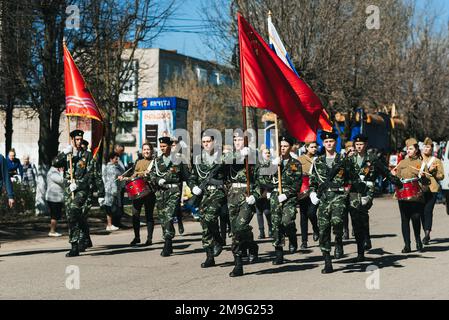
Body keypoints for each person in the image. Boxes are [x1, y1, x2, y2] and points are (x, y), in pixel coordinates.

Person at [309, 131, 361, 273]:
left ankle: (338, 239)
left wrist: (348, 191)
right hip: (324, 197)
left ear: (336, 143)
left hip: (339, 195)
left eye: (331, 141)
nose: (329, 144)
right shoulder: (318, 161)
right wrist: (312, 193)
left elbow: (352, 177)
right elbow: (313, 180)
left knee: (337, 222)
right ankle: (327, 261)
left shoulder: (343, 160)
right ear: (323, 144)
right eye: (326, 142)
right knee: (323, 228)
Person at [348, 134, 403, 261]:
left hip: (367, 190)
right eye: (356, 145)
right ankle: (360, 250)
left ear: (365, 145)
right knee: (356, 220)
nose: (359, 147)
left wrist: (396, 181)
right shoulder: (350, 159)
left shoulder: (372, 159)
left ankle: (365, 239)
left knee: (362, 212)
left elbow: (385, 172)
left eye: (361, 144)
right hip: (354, 191)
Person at [52, 129, 96, 257]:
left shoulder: (87, 155)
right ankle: (75, 246)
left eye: (80, 139)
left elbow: (90, 174)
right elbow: (54, 163)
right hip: (68, 190)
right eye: (76, 139)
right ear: (72, 140)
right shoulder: (68, 154)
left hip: (81, 190)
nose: (79, 141)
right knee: (71, 216)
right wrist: (64, 153)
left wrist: (79, 184)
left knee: (73, 210)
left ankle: (78, 242)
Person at [188, 131, 226, 268]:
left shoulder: (223, 157)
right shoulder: (198, 159)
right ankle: (209, 257)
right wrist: (193, 187)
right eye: (203, 142)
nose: (206, 144)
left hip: (218, 193)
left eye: (208, 141)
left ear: (214, 142)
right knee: (204, 224)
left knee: (210, 218)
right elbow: (192, 177)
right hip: (203, 194)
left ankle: (218, 239)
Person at [224, 130, 259, 277]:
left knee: (239, 227)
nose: (238, 142)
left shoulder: (254, 157)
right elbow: (223, 162)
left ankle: (238, 265)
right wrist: (240, 155)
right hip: (232, 197)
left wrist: (255, 195)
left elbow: (261, 180)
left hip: (246, 196)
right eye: (236, 140)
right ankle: (251, 244)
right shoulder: (229, 156)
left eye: (241, 140)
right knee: (235, 230)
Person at [148, 136, 190, 257]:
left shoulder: (178, 159)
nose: (162, 148)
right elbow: (150, 175)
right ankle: (169, 241)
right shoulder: (157, 161)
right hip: (161, 192)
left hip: (174, 191)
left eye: (164, 146)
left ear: (170, 146)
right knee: (163, 217)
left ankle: (167, 242)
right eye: (161, 146)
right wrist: (157, 180)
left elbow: (186, 176)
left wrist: (193, 190)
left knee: (169, 216)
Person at [267, 135, 302, 265]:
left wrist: (287, 194)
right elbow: (263, 179)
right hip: (276, 196)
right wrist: (273, 167)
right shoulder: (273, 162)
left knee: (287, 221)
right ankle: (279, 253)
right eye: (280, 146)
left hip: (289, 197)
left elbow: (297, 183)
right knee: (276, 225)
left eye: (285, 146)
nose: (282, 148)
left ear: (290, 147)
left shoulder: (295, 163)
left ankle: (292, 236)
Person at [391, 138, 429, 253]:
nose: (408, 150)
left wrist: (422, 176)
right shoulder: (402, 162)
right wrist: (392, 175)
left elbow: (427, 182)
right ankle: (407, 245)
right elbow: (395, 178)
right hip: (402, 194)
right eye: (407, 148)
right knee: (404, 219)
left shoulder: (421, 163)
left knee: (416, 218)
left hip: (416, 195)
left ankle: (418, 240)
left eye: (411, 148)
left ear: (416, 150)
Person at [119, 142, 156, 246]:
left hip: (149, 191)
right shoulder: (138, 162)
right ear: (142, 151)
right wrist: (124, 178)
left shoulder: (155, 162)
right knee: (135, 215)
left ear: (151, 151)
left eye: (148, 149)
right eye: (144, 149)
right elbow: (133, 177)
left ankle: (149, 239)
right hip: (137, 192)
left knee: (149, 215)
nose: (146, 151)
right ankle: (137, 237)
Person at [420, 137, 444, 245]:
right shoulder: (418, 159)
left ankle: (427, 234)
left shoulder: (436, 161)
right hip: (420, 189)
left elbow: (441, 176)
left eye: (428, 147)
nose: (426, 148)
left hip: (433, 189)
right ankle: (425, 230)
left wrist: (434, 173)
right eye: (425, 146)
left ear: (432, 148)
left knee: (428, 211)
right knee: (421, 212)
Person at [298, 141, 320, 249]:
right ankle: (304, 241)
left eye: (316, 147)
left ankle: (316, 228)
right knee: (303, 216)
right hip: (303, 190)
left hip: (315, 191)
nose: (314, 149)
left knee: (311, 213)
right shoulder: (300, 160)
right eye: (312, 147)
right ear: (306, 148)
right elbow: (294, 173)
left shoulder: (319, 159)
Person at [255, 146, 273, 239]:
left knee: (267, 212)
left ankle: (270, 228)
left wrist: (270, 190)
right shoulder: (258, 165)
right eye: (265, 153)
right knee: (259, 212)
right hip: (259, 190)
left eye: (268, 152)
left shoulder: (272, 164)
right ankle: (261, 232)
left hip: (268, 191)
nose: (268, 154)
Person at [102, 152, 122, 232]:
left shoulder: (114, 167)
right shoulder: (110, 167)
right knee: (109, 207)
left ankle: (111, 224)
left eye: (117, 158)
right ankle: (109, 225)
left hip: (113, 189)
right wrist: (114, 191)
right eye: (115, 158)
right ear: (111, 159)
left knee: (112, 207)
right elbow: (112, 181)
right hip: (110, 190)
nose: (117, 160)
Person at [46, 165, 65, 237]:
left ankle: (53, 229)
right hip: (53, 197)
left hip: (57, 197)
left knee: (56, 215)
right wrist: (62, 172)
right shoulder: (53, 172)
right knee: (54, 215)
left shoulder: (55, 171)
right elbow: (61, 180)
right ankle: (52, 231)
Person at [113, 144, 126, 227]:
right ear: (116, 150)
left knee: (120, 204)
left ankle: (119, 222)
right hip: (115, 185)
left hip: (121, 185)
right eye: (120, 151)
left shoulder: (120, 158)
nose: (121, 152)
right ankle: (115, 222)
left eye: (122, 151)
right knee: (116, 204)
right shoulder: (114, 159)